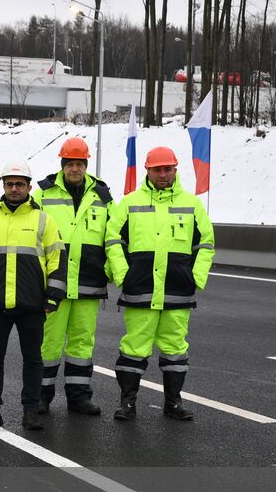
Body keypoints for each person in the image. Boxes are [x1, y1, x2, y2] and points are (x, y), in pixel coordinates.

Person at [104, 145, 216, 421]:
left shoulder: (192, 204)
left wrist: (195, 279)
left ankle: (173, 403)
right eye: (157, 169)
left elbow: (206, 244)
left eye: (168, 169)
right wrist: (123, 276)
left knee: (176, 349)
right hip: (140, 289)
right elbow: (113, 241)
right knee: (134, 348)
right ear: (148, 171)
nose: (163, 174)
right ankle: (127, 403)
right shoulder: (129, 203)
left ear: (175, 169)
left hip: (177, 291)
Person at [0, 161, 65, 431]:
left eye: (19, 184)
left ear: (29, 187)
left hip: (32, 305)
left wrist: (53, 296)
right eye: (9, 184)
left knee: (33, 359)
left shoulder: (44, 220)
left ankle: (31, 411)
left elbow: (56, 259)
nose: (14, 188)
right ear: (3, 186)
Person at [31, 136, 113, 416]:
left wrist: (110, 272)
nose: (75, 169)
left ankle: (79, 397)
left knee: (82, 343)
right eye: (70, 164)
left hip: (90, 281)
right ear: (62, 165)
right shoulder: (43, 194)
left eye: (80, 163)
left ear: (86, 164)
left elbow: (113, 237)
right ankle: (41, 396)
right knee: (49, 341)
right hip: (53, 282)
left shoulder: (102, 196)